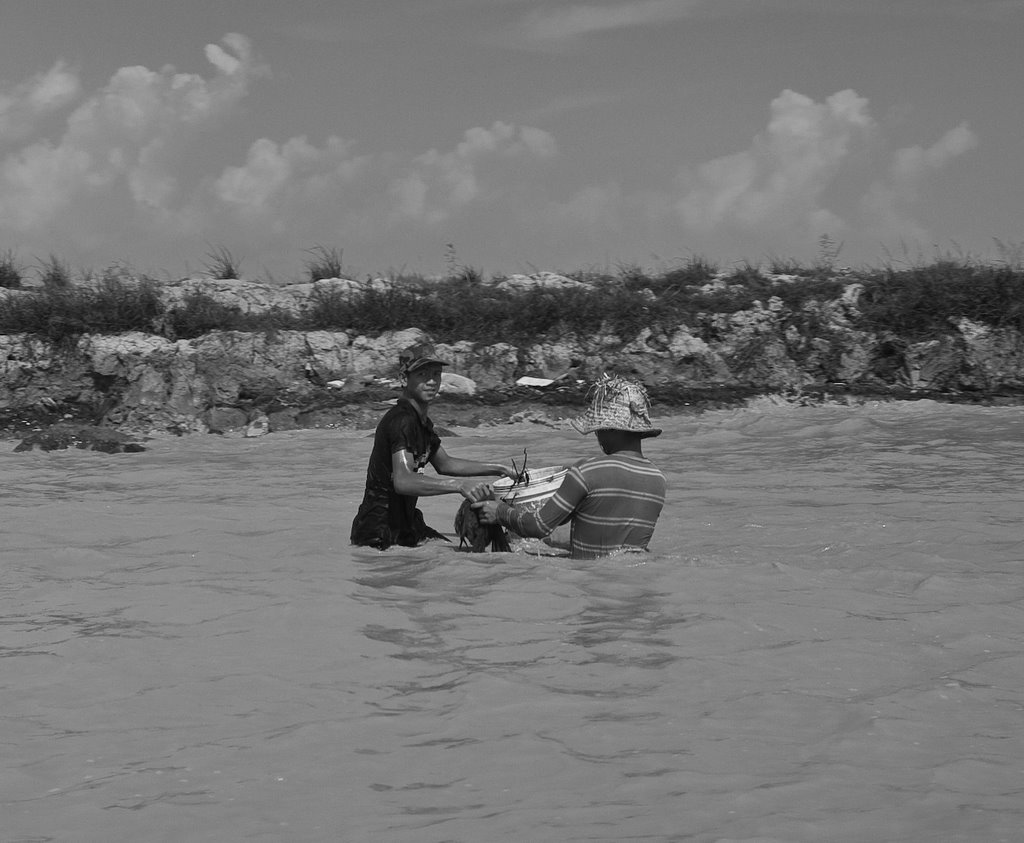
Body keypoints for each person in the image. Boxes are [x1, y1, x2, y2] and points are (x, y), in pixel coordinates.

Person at [472, 374, 666, 559]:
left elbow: (538, 527)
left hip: (588, 579)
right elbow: (612, 540)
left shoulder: (588, 471)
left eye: (598, 428)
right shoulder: (658, 480)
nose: (596, 435)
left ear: (610, 429)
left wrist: (500, 511)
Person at [350, 341, 517, 550]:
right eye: (422, 375)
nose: (431, 381)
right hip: (378, 533)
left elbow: (445, 464)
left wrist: (499, 468)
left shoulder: (422, 423)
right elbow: (402, 481)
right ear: (404, 378)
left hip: (407, 524)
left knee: (452, 556)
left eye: (436, 374)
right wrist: (458, 486)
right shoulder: (401, 421)